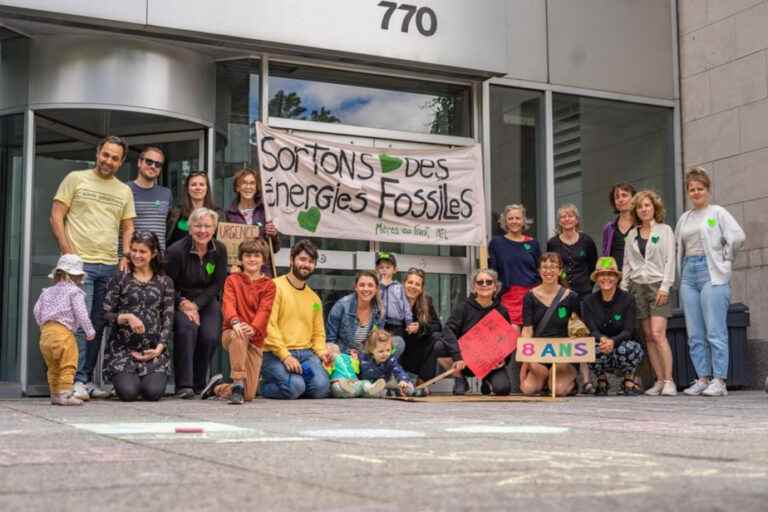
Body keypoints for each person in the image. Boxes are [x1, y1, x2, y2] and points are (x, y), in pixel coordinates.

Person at [50, 135, 136, 401]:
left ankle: (85, 380)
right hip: (79, 267)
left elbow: (128, 226)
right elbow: (56, 215)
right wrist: (67, 251)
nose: (108, 161)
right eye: (105, 154)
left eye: (114, 158)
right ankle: (71, 380)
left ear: (121, 162)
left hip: (108, 265)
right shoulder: (75, 178)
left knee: (96, 325)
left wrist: (125, 255)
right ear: (98, 153)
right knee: (76, 322)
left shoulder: (124, 190)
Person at [675, 167, 745, 397]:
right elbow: (679, 247)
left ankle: (719, 380)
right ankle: (703, 377)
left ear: (708, 190)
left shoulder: (717, 213)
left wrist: (724, 259)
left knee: (715, 329)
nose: (696, 193)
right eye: (692, 189)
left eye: (700, 189)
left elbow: (737, 237)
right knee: (695, 332)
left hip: (711, 272)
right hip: (688, 274)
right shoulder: (684, 218)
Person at [200, 239, 276, 404]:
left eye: (257, 255)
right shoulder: (232, 280)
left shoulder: (269, 285)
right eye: (247, 255)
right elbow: (228, 304)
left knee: (249, 395)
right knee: (238, 334)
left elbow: (265, 310)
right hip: (231, 333)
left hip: (255, 337)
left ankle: (218, 387)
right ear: (241, 258)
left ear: (263, 259)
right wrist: (235, 321)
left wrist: (254, 327)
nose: (252, 259)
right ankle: (238, 383)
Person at [102, 231, 174, 402]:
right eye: (134, 250)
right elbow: (105, 314)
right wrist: (126, 316)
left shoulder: (165, 282)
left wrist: (159, 348)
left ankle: (145, 379)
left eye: (142, 252)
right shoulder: (120, 278)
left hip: (153, 352)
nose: (136, 255)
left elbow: (168, 318)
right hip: (123, 351)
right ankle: (125, 380)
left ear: (154, 254)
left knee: (153, 393)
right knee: (128, 394)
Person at [166, 207, 228, 398]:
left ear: (214, 228)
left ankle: (200, 383)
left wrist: (197, 305)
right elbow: (167, 284)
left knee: (210, 335)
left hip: (205, 299)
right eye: (198, 226)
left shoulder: (220, 249)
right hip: (179, 298)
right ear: (190, 228)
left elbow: (218, 283)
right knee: (187, 328)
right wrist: (183, 303)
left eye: (207, 226)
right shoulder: (175, 251)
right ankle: (184, 385)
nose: (203, 230)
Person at [621, 190, 677, 396]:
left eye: (647, 205)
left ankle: (670, 380)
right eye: (640, 207)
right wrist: (623, 289)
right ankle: (659, 380)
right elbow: (627, 264)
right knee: (648, 336)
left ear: (654, 208)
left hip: (657, 285)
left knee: (658, 333)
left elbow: (671, 259)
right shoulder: (631, 235)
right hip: (637, 287)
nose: (644, 209)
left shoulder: (665, 231)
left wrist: (665, 286)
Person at [261, 240, 330, 399]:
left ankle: (294, 384)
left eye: (311, 262)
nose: (306, 264)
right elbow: (269, 327)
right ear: (292, 260)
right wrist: (285, 356)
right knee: (294, 387)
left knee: (321, 388)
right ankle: (262, 386)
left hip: (306, 354)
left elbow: (318, 333)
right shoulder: (274, 287)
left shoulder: (314, 300)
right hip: (274, 353)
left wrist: (321, 353)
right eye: (302, 259)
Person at [546, 203, 599, 393]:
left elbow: (593, 267)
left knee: (582, 334)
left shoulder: (587, 241)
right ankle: (566, 376)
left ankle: (586, 380)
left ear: (577, 219)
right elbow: (551, 267)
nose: (567, 219)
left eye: (570, 216)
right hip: (561, 295)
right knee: (562, 331)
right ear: (559, 221)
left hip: (584, 294)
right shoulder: (553, 243)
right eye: (563, 216)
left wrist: (587, 287)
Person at [441, 269, 515, 396]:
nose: (484, 285)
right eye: (480, 282)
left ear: (495, 287)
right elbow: (448, 331)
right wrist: (457, 356)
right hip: (464, 363)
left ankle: (486, 381)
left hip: (490, 364)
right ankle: (460, 379)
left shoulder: (502, 311)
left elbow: (507, 340)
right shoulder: (463, 307)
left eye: (488, 282)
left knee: (502, 389)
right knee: (438, 346)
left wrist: (503, 359)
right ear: (474, 287)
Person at [33, 254, 95, 406]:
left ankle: (55, 394)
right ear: (76, 276)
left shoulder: (46, 292)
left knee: (53, 367)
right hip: (64, 333)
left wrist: (44, 326)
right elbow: (81, 313)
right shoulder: (75, 292)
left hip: (46, 334)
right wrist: (89, 331)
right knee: (68, 364)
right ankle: (66, 395)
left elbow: (36, 310)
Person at [582, 257, 645, 395]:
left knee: (630, 348)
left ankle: (629, 380)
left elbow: (629, 330)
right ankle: (601, 380)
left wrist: (613, 341)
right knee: (589, 348)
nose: (606, 278)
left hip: (622, 344)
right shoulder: (588, 301)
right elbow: (592, 330)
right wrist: (603, 339)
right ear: (597, 278)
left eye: (610, 274)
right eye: (602, 275)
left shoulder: (628, 299)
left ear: (617, 278)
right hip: (601, 345)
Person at [519, 253, 580, 397]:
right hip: (539, 352)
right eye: (545, 267)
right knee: (528, 389)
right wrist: (526, 362)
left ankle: (564, 378)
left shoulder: (571, 296)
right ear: (539, 270)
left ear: (560, 271)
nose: (548, 271)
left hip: (563, 354)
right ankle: (545, 378)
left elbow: (578, 328)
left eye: (553, 267)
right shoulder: (530, 296)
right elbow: (527, 329)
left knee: (558, 391)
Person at [489, 204, 541, 326]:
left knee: (529, 336)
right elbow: (493, 271)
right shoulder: (496, 243)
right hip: (507, 297)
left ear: (523, 221)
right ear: (505, 222)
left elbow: (540, 270)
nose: (514, 221)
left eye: (517, 218)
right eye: (510, 218)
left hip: (531, 296)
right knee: (511, 335)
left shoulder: (533, 243)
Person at [223, 168, 280, 275]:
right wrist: (229, 268)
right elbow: (224, 250)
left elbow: (275, 249)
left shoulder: (266, 213)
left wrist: (273, 235)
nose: (248, 187)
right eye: (244, 183)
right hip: (239, 274)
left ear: (256, 187)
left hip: (263, 274)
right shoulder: (228, 214)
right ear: (237, 187)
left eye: (252, 183)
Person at [325, 270, 383, 354]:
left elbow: (376, 342)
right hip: (342, 355)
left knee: (397, 342)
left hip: (366, 356)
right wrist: (347, 353)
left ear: (376, 289)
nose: (366, 289)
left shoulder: (379, 310)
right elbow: (330, 341)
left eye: (370, 285)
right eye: (362, 285)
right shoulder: (342, 305)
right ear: (355, 287)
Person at [401, 267, 443, 382]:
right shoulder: (395, 301)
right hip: (399, 349)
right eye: (410, 282)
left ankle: (424, 380)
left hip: (418, 351)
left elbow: (437, 326)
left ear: (421, 288)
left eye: (417, 284)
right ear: (404, 283)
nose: (413, 286)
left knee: (437, 337)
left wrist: (420, 327)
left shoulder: (426, 301)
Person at [129, 147, 173, 249]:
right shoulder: (125, 190)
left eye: (158, 164)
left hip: (158, 259)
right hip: (133, 257)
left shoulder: (166, 193)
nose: (153, 166)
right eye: (149, 162)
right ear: (139, 162)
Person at [167, 171, 218, 247]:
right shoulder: (176, 212)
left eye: (202, 184)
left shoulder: (217, 213)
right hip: (180, 257)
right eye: (193, 185)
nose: (198, 188)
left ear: (207, 188)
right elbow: (169, 241)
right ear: (187, 188)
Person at [358, 329, 416, 397]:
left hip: (386, 382)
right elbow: (357, 372)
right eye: (381, 351)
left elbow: (398, 370)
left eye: (388, 350)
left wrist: (402, 380)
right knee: (366, 387)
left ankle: (407, 390)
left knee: (407, 386)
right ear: (371, 350)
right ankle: (389, 393)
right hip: (370, 384)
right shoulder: (363, 358)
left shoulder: (390, 359)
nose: (385, 354)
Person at [375, 252, 411, 358]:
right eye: (381, 267)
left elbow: (406, 306)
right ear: (377, 269)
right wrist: (380, 284)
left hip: (396, 325)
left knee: (396, 348)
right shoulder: (376, 286)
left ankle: (392, 370)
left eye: (388, 267)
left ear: (395, 270)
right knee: (380, 347)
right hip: (380, 324)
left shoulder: (399, 287)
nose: (384, 270)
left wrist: (409, 322)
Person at [602, 182, 637, 270]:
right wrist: (605, 270)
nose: (620, 199)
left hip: (637, 279)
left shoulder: (641, 225)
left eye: (624, 195)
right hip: (615, 280)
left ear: (633, 198)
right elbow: (606, 255)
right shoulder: (609, 228)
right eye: (617, 197)